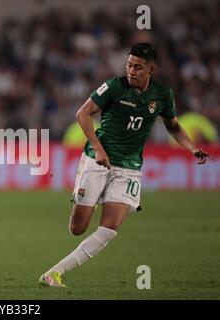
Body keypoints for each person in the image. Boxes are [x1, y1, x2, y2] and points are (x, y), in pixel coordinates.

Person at [39, 42, 215, 287]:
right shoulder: (114, 87)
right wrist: (99, 149)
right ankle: (95, 197)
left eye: (138, 67)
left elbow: (173, 126)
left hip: (129, 168)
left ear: (151, 69)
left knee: (109, 228)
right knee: (78, 228)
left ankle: (54, 273)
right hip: (97, 160)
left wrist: (193, 148)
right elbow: (82, 113)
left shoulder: (162, 95)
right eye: (129, 65)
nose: (132, 71)